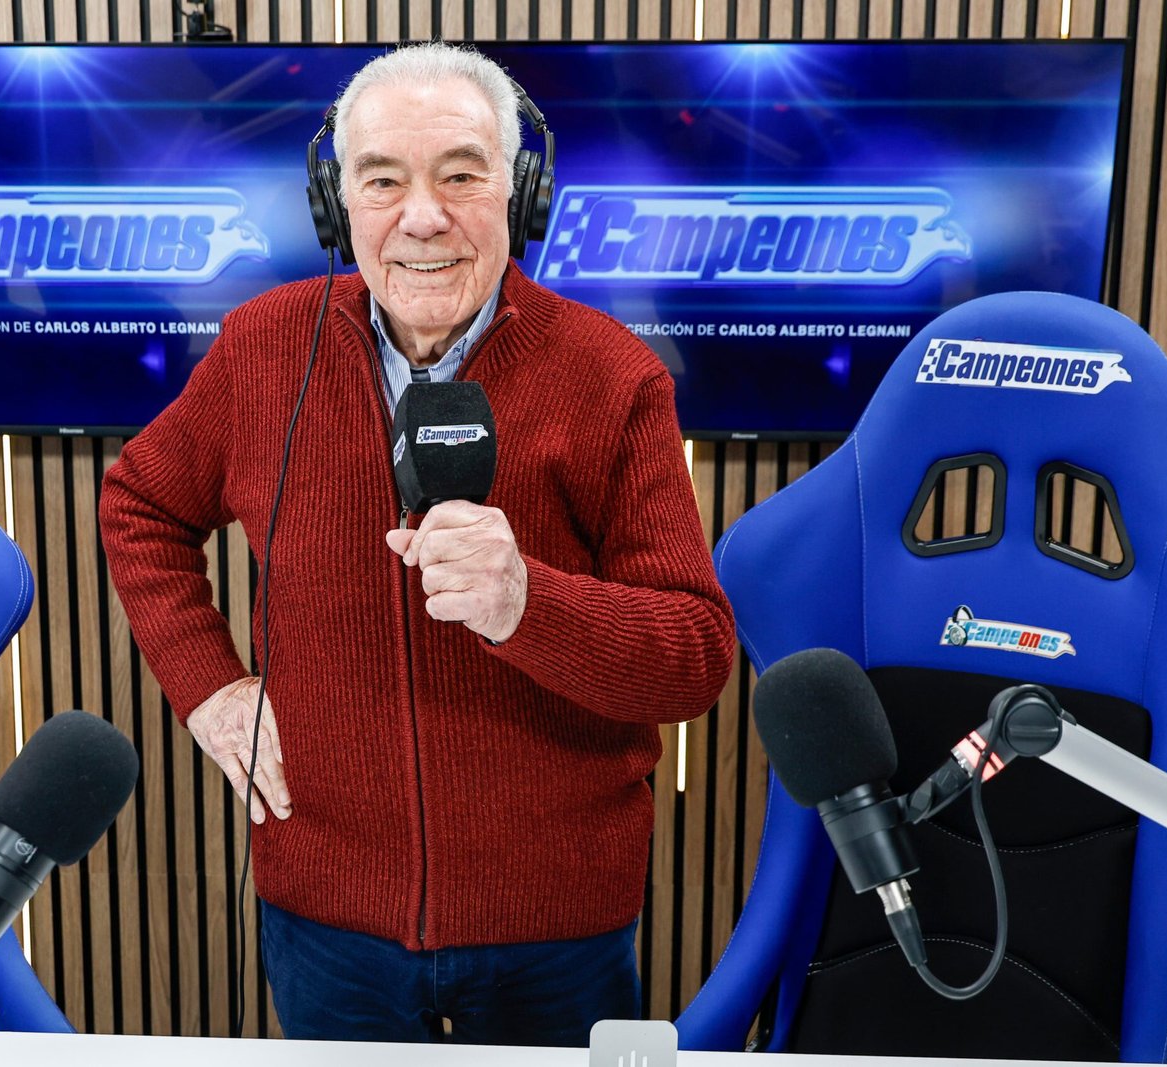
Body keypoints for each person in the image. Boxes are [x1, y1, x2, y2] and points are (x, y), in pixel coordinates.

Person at [99, 41, 735, 1046]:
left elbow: (692, 653)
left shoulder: (613, 378)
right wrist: (208, 686)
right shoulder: (264, 348)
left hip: (554, 929)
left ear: (520, 193)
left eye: (461, 176)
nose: (423, 216)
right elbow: (140, 503)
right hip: (326, 915)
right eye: (383, 180)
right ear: (336, 202)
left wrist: (529, 602)